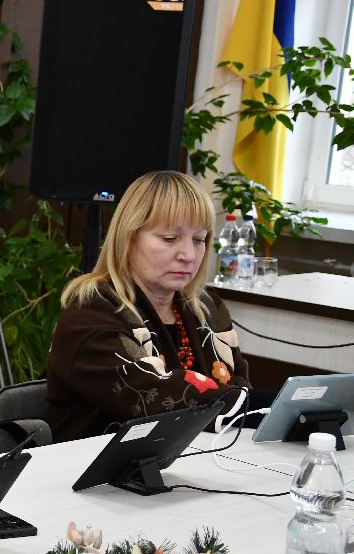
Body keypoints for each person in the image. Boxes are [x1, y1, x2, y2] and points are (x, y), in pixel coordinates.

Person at [46, 170, 251, 441]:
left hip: (195, 459)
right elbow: (158, 399)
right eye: (170, 238)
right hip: (94, 465)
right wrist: (253, 404)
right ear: (128, 238)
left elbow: (241, 386)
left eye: (199, 239)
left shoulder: (207, 309)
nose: (188, 255)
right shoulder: (90, 315)